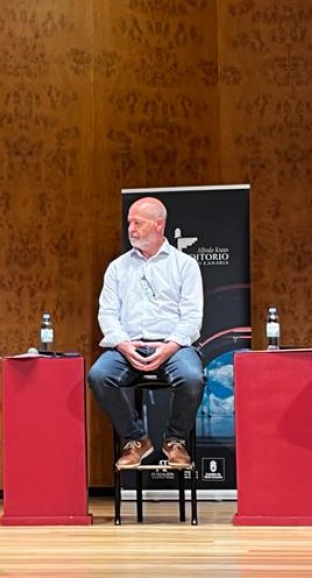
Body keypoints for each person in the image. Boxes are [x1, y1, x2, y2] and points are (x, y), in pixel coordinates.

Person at [87, 197, 204, 470]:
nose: (131, 228)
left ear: (159, 224)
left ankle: (175, 440)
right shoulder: (118, 267)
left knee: (191, 377)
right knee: (99, 375)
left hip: (173, 346)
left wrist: (170, 346)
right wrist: (123, 344)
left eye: (137, 223)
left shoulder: (184, 265)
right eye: (129, 222)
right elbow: (107, 313)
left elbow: (191, 317)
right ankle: (136, 439)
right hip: (129, 346)